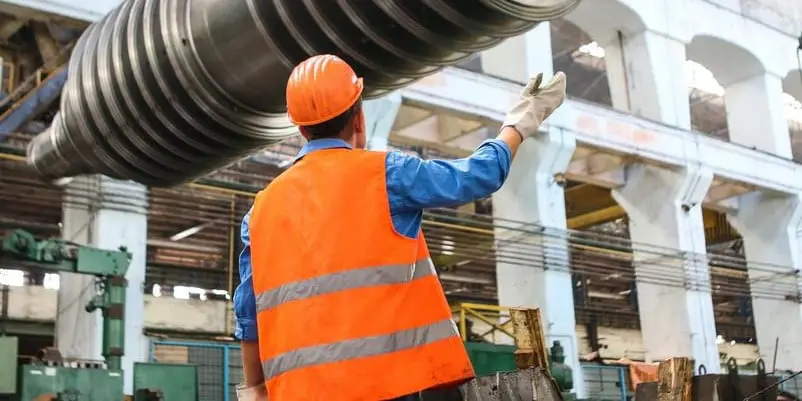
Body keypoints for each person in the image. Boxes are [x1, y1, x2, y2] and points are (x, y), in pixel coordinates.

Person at [234, 54, 567, 401]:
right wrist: (522, 121)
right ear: (358, 116)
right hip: (390, 388)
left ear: (300, 128)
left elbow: (248, 316)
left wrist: (256, 389)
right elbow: (477, 176)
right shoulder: (387, 174)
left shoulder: (260, 211)